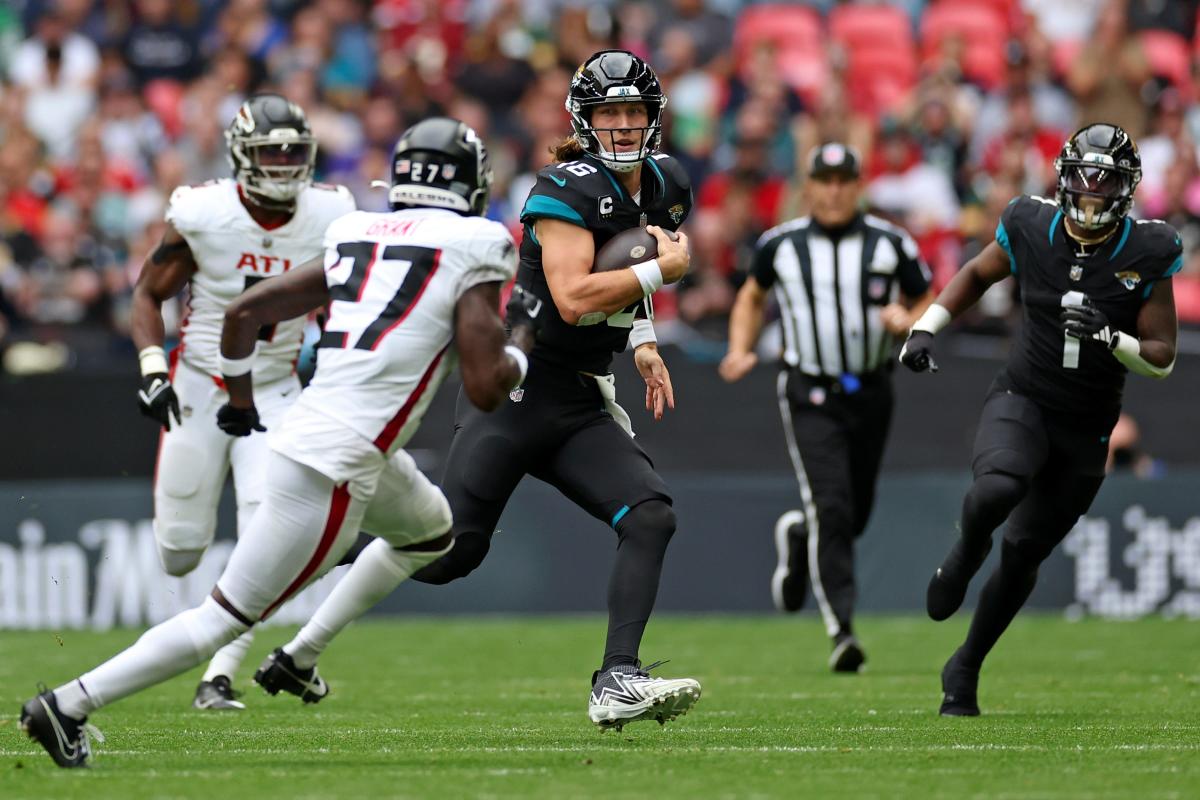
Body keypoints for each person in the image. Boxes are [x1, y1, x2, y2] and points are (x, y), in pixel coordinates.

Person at [20, 116, 536, 768]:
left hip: (329, 438)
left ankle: (300, 657)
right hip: (335, 465)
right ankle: (66, 705)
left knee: (431, 531)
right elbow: (489, 386)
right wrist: (524, 342)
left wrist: (239, 397)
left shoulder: (357, 230)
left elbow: (243, 313)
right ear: (472, 182)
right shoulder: (478, 240)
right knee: (220, 619)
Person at [261, 49, 701, 732]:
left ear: (653, 118)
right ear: (584, 120)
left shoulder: (667, 182)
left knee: (650, 514)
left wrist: (642, 343)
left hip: (582, 395)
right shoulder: (565, 186)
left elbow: (626, 262)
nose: (621, 125)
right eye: (609, 112)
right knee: (451, 552)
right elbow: (575, 294)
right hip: (521, 388)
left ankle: (617, 678)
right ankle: (315, 565)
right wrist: (659, 275)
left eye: (632, 112)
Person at [899, 123, 1180, 715]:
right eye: (1086, 178)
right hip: (1024, 397)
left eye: (1107, 182)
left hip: (1087, 426)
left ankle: (966, 664)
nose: (1093, 192)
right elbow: (978, 273)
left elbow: (1162, 357)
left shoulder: (1148, 247)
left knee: (1026, 551)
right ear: (1065, 177)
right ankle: (965, 553)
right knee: (998, 486)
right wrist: (927, 326)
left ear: (1127, 190)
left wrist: (1112, 337)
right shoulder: (1031, 222)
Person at [130, 93, 355, 710]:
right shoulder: (204, 213)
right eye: (270, 151)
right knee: (179, 551)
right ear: (241, 155)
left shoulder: (331, 213)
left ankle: (218, 675)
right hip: (200, 385)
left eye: (293, 151)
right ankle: (202, 643)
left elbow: (346, 304)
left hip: (276, 386)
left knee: (266, 529)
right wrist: (153, 368)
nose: (283, 163)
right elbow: (148, 293)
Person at [719, 142, 934, 673]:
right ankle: (842, 629)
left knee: (852, 513)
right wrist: (740, 348)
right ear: (809, 185)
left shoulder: (891, 243)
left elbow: (927, 296)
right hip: (808, 389)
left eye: (844, 180)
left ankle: (799, 539)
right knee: (833, 505)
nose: (834, 190)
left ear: (858, 185)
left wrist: (908, 319)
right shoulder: (780, 245)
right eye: (825, 180)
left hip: (872, 387)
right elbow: (751, 295)